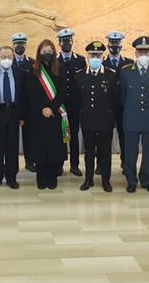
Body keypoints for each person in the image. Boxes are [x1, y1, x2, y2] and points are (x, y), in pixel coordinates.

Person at [120, 36, 149, 193]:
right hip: (131, 117)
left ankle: (146, 179)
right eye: (140, 52)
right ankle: (131, 180)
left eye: (146, 52)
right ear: (135, 53)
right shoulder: (126, 72)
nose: (143, 55)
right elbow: (122, 96)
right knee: (130, 152)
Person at [0, 46, 27, 189]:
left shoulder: (20, 73)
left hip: (14, 112)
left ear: (13, 57)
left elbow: (25, 95)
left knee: (13, 147)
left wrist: (22, 116)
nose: (6, 59)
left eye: (9, 57)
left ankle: (11, 177)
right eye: (3, 57)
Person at [26, 39, 68, 189]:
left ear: (54, 52)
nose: (47, 54)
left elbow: (63, 91)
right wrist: (42, 108)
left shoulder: (60, 68)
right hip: (38, 117)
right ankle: (41, 178)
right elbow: (31, 93)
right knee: (40, 148)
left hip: (55, 114)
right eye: (44, 51)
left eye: (50, 51)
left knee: (54, 148)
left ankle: (52, 178)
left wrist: (51, 107)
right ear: (39, 52)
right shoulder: (33, 70)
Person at [74, 41, 115, 192]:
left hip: (105, 121)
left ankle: (106, 181)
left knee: (105, 153)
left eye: (98, 55)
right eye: (92, 55)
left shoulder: (111, 75)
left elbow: (115, 100)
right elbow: (77, 101)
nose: (95, 57)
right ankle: (88, 179)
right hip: (87, 121)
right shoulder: (79, 76)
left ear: (103, 56)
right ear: (87, 56)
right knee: (89, 153)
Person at [57, 28, 86, 177]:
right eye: (64, 41)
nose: (67, 43)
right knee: (61, 135)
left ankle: (75, 165)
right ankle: (59, 164)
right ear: (59, 42)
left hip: (75, 105)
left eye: (69, 40)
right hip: (60, 106)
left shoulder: (80, 60)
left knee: (74, 135)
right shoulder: (54, 60)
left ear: (72, 41)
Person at [103, 31, 133, 175]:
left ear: (121, 45)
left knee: (124, 136)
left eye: (117, 43)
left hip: (123, 107)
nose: (115, 46)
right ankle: (101, 163)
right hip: (106, 106)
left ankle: (125, 163)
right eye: (112, 43)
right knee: (104, 137)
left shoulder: (128, 64)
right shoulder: (102, 62)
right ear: (108, 45)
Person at [11, 32, 37, 172]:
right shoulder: (8, 62)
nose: (19, 46)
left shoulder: (32, 63)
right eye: (17, 44)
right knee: (12, 137)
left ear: (26, 45)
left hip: (28, 106)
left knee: (29, 136)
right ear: (13, 45)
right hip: (13, 105)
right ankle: (12, 164)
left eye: (22, 44)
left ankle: (30, 161)